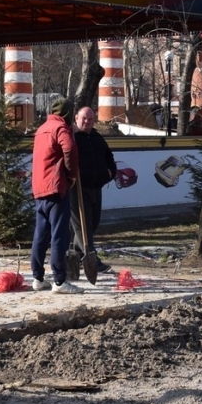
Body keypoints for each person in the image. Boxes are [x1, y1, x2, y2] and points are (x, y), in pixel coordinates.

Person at [29, 97, 84, 294]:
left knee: (41, 235)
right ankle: (60, 281)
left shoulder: (42, 128)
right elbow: (68, 148)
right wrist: (71, 175)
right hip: (56, 186)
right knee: (59, 235)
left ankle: (37, 278)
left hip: (40, 188)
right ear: (68, 114)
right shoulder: (61, 128)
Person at [68, 106, 117, 277]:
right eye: (84, 118)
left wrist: (111, 172)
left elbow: (108, 157)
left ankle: (73, 255)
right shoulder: (72, 138)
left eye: (90, 119)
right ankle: (92, 258)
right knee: (83, 226)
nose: (87, 122)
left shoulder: (96, 137)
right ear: (76, 118)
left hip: (96, 187)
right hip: (78, 189)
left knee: (92, 223)